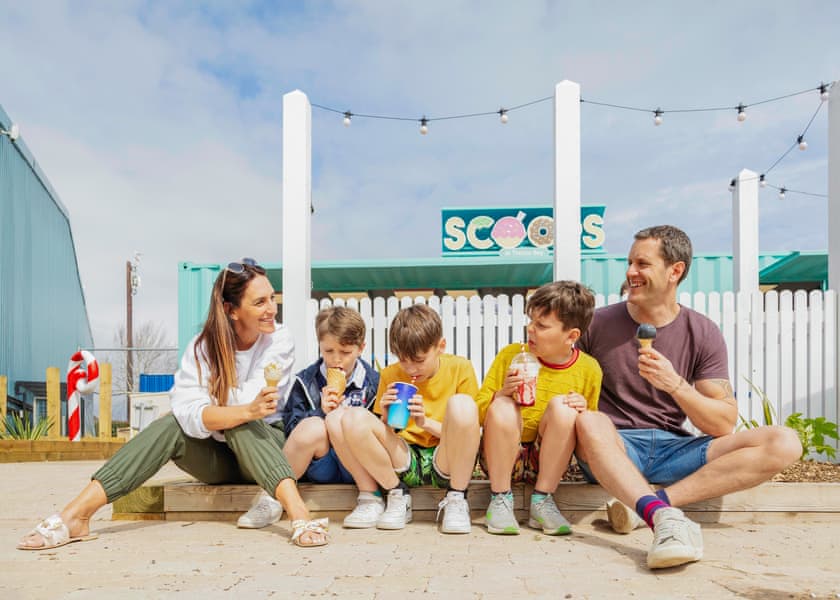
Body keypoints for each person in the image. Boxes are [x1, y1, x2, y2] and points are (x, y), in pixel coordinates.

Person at [16, 258, 328, 550]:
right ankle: (77, 515)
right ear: (231, 310)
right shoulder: (202, 348)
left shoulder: (279, 339)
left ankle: (298, 513)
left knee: (241, 421)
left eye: (272, 298)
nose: (271, 309)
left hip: (268, 447)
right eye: (259, 302)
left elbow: (257, 402)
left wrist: (224, 410)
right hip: (220, 458)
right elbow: (187, 411)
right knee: (171, 424)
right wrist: (234, 410)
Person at [575, 225, 801, 569]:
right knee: (589, 421)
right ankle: (661, 516)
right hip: (616, 447)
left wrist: (676, 385)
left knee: (784, 442)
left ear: (675, 271)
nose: (630, 272)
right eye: (630, 262)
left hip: (674, 449)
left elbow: (723, 423)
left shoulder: (702, 331)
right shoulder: (596, 324)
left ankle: (653, 507)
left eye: (642, 264)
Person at [338, 304, 481, 533]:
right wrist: (384, 417)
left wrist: (425, 423)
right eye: (404, 360)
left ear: (440, 346)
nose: (411, 368)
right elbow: (386, 434)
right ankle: (398, 496)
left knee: (463, 405)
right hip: (403, 460)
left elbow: (468, 432)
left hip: (446, 459)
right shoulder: (391, 374)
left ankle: (457, 498)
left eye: (419, 360)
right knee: (352, 417)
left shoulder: (460, 369)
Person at [476, 281, 602, 536]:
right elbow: (479, 412)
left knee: (564, 408)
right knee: (501, 405)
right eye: (531, 321)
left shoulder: (589, 369)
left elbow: (589, 435)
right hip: (501, 457)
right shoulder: (510, 355)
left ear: (571, 336)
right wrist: (502, 393)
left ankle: (542, 501)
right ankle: (500, 499)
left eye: (542, 326)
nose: (530, 329)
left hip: (547, 462)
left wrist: (584, 410)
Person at [237, 306, 379, 529]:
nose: (336, 360)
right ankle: (272, 499)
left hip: (359, 464)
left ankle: (370, 498)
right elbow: (292, 433)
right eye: (329, 351)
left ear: (361, 348)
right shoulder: (306, 382)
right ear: (320, 346)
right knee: (312, 425)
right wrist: (320, 413)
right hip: (323, 464)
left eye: (345, 352)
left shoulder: (375, 383)